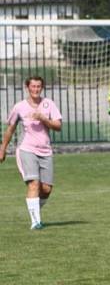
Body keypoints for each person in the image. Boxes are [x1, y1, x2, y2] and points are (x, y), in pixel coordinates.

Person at [0, 76, 63, 230]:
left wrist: (43, 118)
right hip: (26, 149)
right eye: (33, 86)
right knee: (33, 183)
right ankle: (35, 221)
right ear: (27, 87)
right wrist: (3, 148)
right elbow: (10, 129)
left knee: (46, 189)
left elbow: (58, 126)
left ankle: (33, 208)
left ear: (42, 88)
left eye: (38, 86)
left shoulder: (49, 104)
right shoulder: (19, 107)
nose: (36, 89)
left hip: (46, 151)